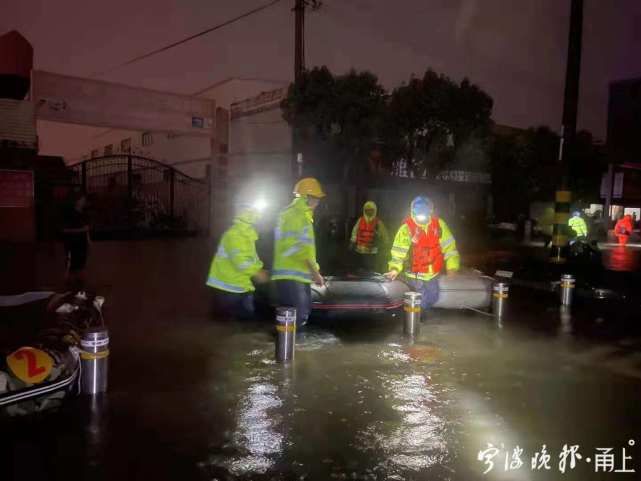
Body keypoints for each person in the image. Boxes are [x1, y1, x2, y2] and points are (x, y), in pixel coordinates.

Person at [385, 196, 460, 318]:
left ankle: (418, 317)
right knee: (420, 301)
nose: (421, 218)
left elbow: (450, 248)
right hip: (413, 275)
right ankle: (416, 322)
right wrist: (394, 269)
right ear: (413, 211)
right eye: (418, 214)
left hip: (433, 274)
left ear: (430, 211)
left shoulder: (439, 225)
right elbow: (398, 251)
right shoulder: (406, 228)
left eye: (424, 213)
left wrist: (452, 267)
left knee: (433, 297)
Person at [272, 177, 325, 327]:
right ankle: (293, 348)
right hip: (292, 276)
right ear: (306, 198)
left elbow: (305, 249)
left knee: (295, 317)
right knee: (298, 318)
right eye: (316, 199)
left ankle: (290, 348)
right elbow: (297, 249)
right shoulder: (297, 216)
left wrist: (315, 270)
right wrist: (314, 272)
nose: (317, 203)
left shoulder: (295, 215)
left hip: (294, 275)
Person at [206, 198, 269, 320]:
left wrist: (261, 270)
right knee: (230, 329)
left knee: (243, 326)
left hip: (241, 287)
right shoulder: (234, 235)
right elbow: (241, 262)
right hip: (227, 290)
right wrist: (258, 273)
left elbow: (252, 258)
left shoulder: (248, 234)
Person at [61, 191, 90, 289]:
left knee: (81, 263)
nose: (84, 201)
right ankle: (69, 284)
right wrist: (81, 230)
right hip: (73, 243)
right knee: (73, 264)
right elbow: (65, 230)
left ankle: (78, 284)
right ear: (77, 201)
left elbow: (86, 228)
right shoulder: (70, 214)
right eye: (82, 199)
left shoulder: (83, 213)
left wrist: (88, 239)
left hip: (82, 243)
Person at [350, 201, 389, 273]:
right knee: (361, 268)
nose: (369, 212)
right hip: (360, 249)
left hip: (372, 250)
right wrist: (352, 241)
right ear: (364, 210)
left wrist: (385, 244)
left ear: (375, 211)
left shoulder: (378, 222)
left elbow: (384, 234)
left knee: (371, 268)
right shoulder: (360, 220)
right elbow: (354, 231)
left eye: (371, 210)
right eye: (367, 210)